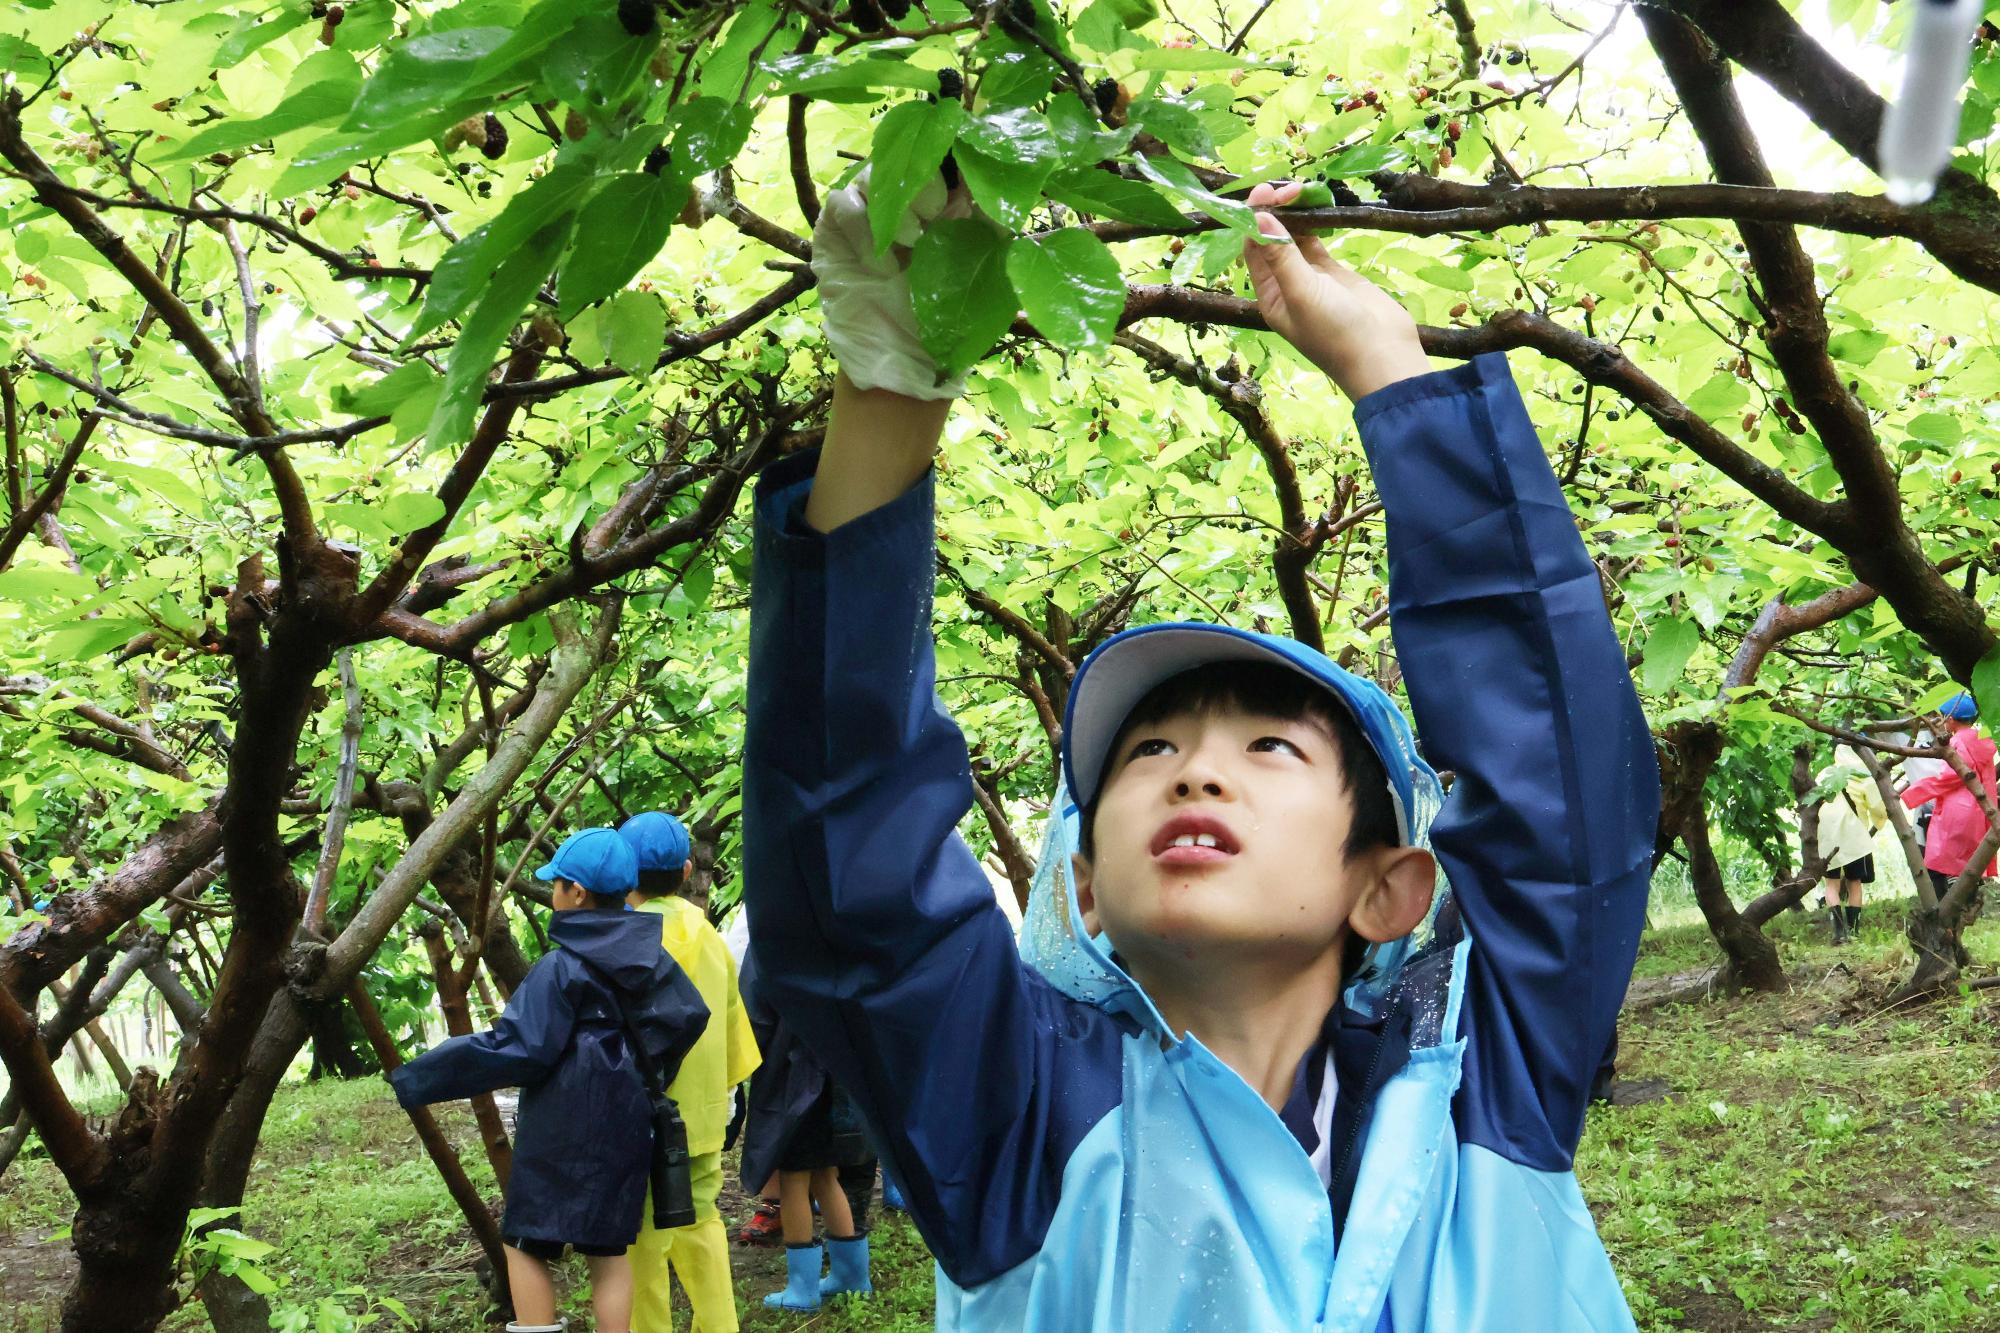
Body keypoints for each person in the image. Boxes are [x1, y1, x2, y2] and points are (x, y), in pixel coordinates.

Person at [738, 173, 1657, 1329]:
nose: (1195, 769)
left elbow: (1563, 798)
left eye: (1270, 745)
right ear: (1080, 887)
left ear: (1386, 887)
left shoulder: (1483, 1079)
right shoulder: (1021, 1112)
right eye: (1148, 749)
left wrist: (1388, 366)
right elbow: (848, 862)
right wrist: (888, 386)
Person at [389, 829, 709, 1333]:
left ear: (576, 893)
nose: (554, 894)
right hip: (627, 1118)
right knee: (607, 1249)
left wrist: (418, 1076)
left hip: (563, 1125)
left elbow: (518, 1047)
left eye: (557, 885)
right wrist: (641, 1072)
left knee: (526, 1242)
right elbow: (690, 1015)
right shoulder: (654, 959)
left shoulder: (561, 967)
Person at [617, 812, 761, 1333]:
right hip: (702, 1115)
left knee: (639, 1233)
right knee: (702, 1220)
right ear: (684, 869)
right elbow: (734, 1033)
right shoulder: (709, 937)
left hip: (635, 1117)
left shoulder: (620, 941)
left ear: (622, 874)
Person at [735, 950, 875, 1310]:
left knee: (794, 1177)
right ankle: (852, 1276)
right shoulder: (838, 926)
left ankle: (802, 1288)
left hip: (793, 1077)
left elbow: (754, 1014)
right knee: (826, 1174)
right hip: (838, 1072)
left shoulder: (774, 936)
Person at [1900, 692, 1998, 901]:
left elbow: (1949, 777)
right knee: (1969, 858)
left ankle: (1950, 909)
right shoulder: (1982, 740)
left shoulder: (1958, 743)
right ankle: (1963, 902)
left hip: (1958, 809)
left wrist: (1913, 793)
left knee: (1944, 859)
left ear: (1950, 720)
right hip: (1980, 807)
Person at [1816, 744, 1887, 942]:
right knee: (1854, 882)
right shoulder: (1863, 774)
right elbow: (1877, 806)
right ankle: (1854, 930)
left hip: (1825, 834)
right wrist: (1881, 821)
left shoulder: (1825, 773)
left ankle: (1839, 933)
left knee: (1831, 883)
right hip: (1853, 834)